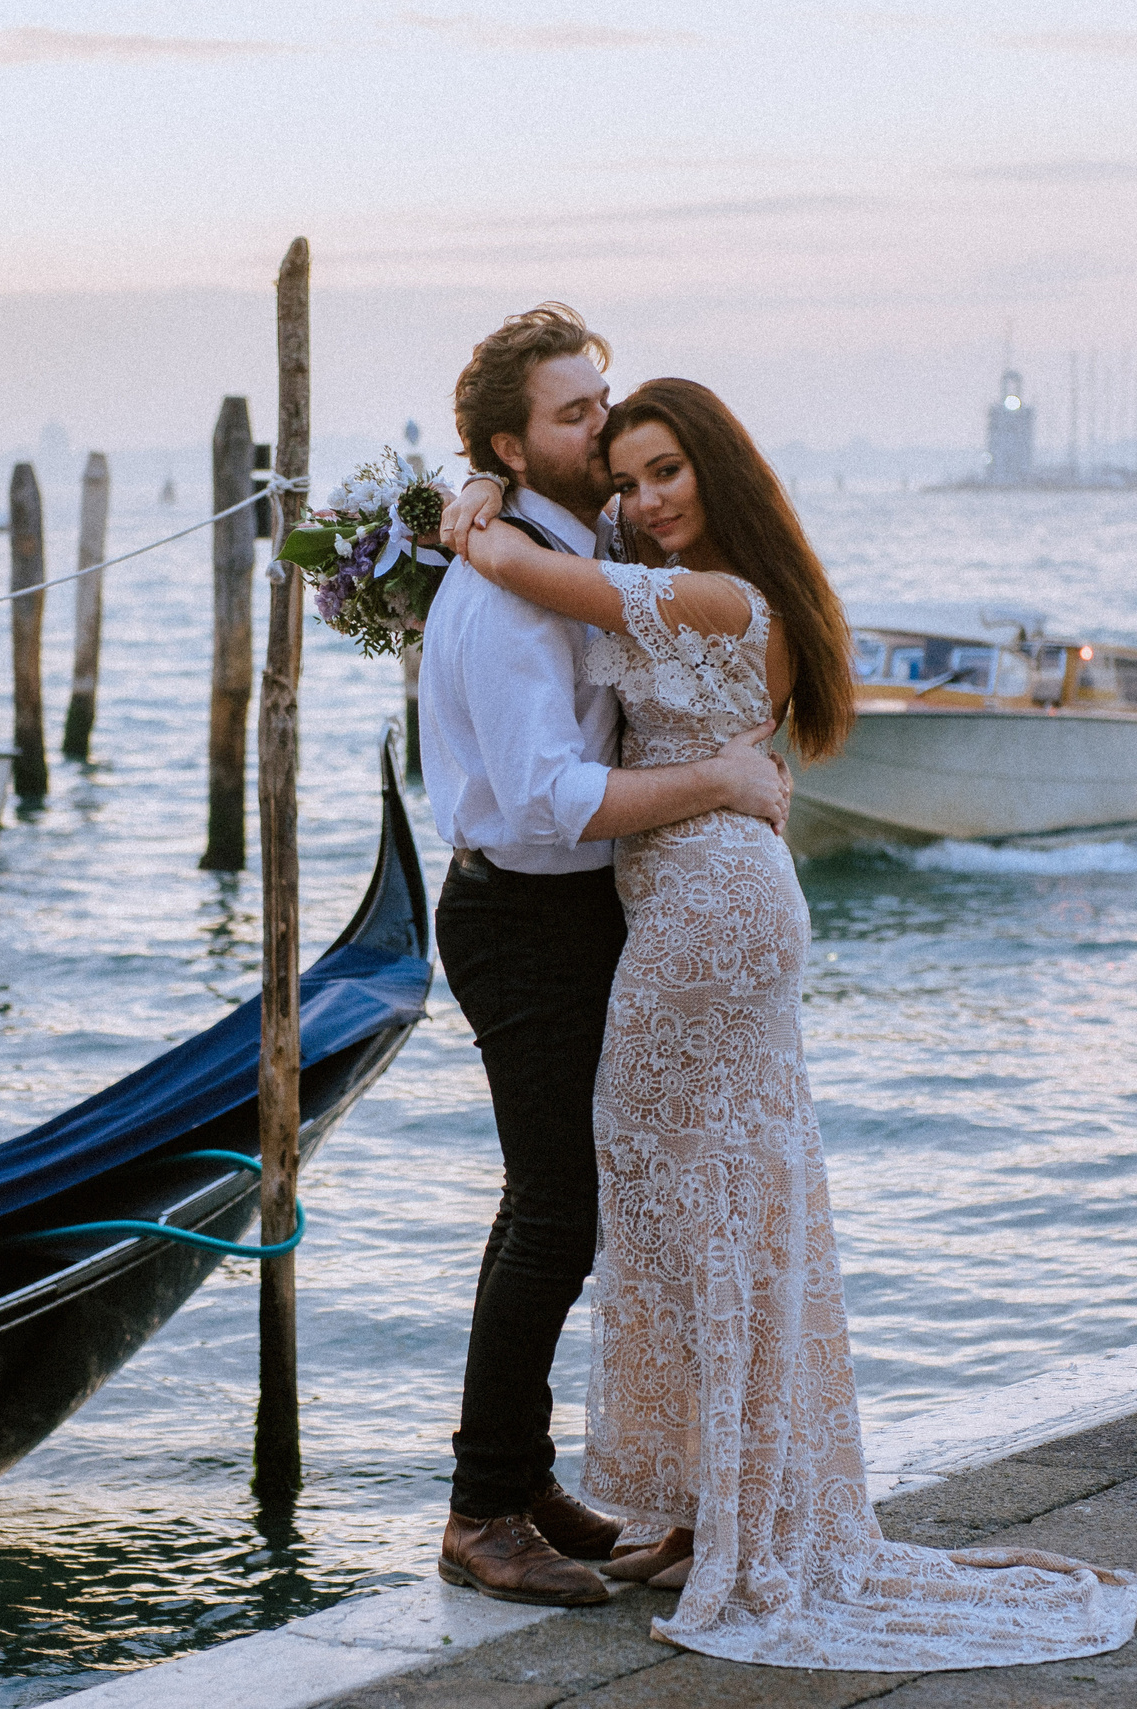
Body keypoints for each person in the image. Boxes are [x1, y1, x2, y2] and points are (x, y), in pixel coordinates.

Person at [450, 376, 1137, 1669]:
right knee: (704, 1198)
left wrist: (473, 513)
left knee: (689, 1198)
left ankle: (729, 1509)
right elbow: (573, 574)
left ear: (718, 470)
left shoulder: (722, 598)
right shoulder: (690, 578)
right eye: (630, 478)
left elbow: (535, 578)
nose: (645, 497)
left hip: (708, 906)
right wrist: (498, 484)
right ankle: (716, 1502)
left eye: (668, 472)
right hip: (702, 896)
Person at [421, 307, 791, 1609]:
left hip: (577, 915)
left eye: (602, 401)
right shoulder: (510, 590)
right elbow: (549, 797)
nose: (603, 429)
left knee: (556, 1207)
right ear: (512, 449)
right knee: (555, 1212)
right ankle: (480, 1510)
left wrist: (477, 507)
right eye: (574, 415)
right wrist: (718, 783)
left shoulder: (578, 548)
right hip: (519, 917)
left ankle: (519, 1480)